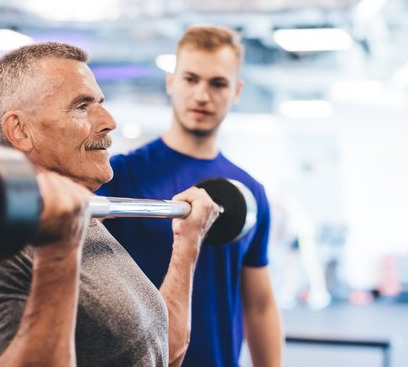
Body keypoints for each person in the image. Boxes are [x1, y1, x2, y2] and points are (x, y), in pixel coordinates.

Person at [0, 42, 221, 367]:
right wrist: (57, 254)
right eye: (81, 106)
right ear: (20, 130)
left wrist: (187, 244)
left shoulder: (88, 223)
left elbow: (163, 351)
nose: (109, 121)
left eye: (100, 103)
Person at [97, 25, 283, 366]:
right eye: (190, 79)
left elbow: (259, 304)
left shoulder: (250, 192)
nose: (201, 95)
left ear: (237, 92)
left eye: (218, 83)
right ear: (171, 82)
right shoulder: (117, 176)